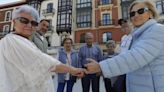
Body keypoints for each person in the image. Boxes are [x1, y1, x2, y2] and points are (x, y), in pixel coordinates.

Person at [0, 5, 84, 92]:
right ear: (14, 22)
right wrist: (72, 70)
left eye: (33, 23)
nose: (29, 25)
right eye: (23, 21)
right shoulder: (13, 41)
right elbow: (45, 62)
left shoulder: (35, 40)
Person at [84, 0, 164, 92]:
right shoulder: (137, 36)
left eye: (141, 11)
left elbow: (135, 57)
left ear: (150, 13)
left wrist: (101, 67)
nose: (136, 15)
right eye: (132, 14)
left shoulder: (157, 30)